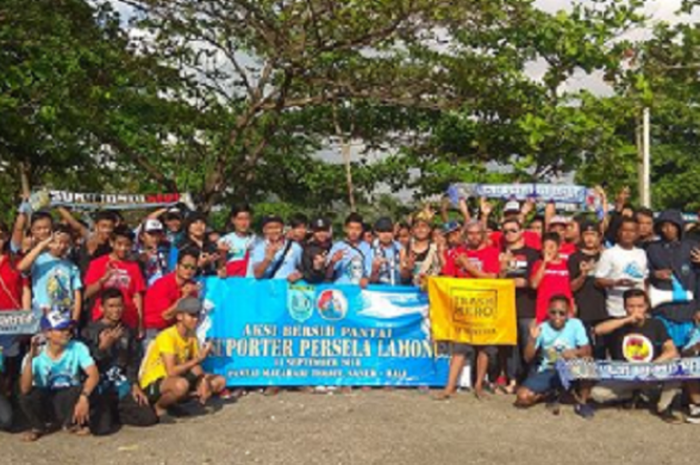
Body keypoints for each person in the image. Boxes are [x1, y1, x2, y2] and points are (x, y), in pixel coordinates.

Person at [588, 289, 682, 423]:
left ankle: (663, 407)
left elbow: (671, 350)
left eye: (640, 306)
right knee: (597, 394)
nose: (636, 310)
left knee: (676, 364)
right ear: (625, 307)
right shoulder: (618, 323)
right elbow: (598, 330)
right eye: (631, 306)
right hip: (625, 374)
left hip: (651, 372)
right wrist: (627, 320)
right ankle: (632, 395)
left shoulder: (656, 324)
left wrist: (653, 365)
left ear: (646, 306)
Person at [81, 289, 158, 434]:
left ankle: (116, 412)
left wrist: (134, 384)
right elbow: (85, 365)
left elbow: (133, 360)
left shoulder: (127, 331)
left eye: (119, 306)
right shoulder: (89, 331)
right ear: (101, 308)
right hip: (100, 385)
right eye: (111, 306)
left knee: (148, 418)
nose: (116, 310)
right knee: (101, 430)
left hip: (121, 384)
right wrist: (102, 347)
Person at [440, 220, 500, 399]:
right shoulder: (457, 253)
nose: (474, 237)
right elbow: (447, 277)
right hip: (463, 308)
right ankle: (449, 388)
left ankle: (478, 386)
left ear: (483, 235)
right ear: (465, 235)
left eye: (477, 233)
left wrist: (468, 267)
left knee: (484, 348)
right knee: (459, 348)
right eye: (470, 233)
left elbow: (492, 277)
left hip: (485, 306)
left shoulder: (492, 253)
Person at [139, 297, 226, 418]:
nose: (195, 320)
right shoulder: (167, 336)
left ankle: (181, 400)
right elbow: (171, 371)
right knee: (181, 385)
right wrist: (198, 360)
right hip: (154, 381)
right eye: (191, 316)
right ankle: (159, 406)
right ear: (179, 316)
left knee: (219, 381)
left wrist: (203, 380)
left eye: (197, 316)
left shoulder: (191, 335)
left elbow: (196, 367)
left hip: (174, 378)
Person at [19, 311, 99, 441]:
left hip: (68, 396)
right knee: (27, 396)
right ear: (47, 333)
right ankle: (39, 427)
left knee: (88, 389)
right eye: (61, 329)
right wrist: (30, 360)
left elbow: (94, 375)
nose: (67, 332)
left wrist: (84, 397)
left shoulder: (78, 347)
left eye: (68, 328)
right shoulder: (36, 353)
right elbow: (24, 389)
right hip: (46, 397)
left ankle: (71, 423)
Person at [515, 295, 592, 418]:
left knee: (588, 364)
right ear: (548, 312)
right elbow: (527, 358)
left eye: (562, 313)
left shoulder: (576, 324)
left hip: (571, 367)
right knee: (522, 397)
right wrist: (532, 340)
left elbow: (587, 351)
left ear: (568, 314)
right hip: (549, 369)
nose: (557, 316)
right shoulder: (542, 327)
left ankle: (583, 402)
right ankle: (549, 394)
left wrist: (574, 352)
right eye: (553, 312)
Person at [646, 210, 699, 349]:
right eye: (663, 226)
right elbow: (643, 273)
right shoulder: (652, 249)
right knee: (665, 349)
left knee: (689, 351)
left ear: (679, 226)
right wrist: (654, 274)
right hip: (663, 309)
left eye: (672, 225)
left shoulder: (692, 246)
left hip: (688, 310)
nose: (667, 229)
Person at [499, 218, 540, 390]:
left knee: (528, 343)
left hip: (527, 305)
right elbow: (497, 280)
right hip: (506, 306)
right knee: (510, 345)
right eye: (506, 231)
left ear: (522, 231)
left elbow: (534, 280)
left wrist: (524, 282)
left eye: (513, 230)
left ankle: (531, 380)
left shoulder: (533, 253)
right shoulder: (500, 254)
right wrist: (503, 265)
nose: (509, 234)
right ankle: (512, 380)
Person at [84, 226, 147, 338]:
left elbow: (137, 297)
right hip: (102, 320)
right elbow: (87, 293)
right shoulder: (97, 264)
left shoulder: (134, 267)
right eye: (119, 244)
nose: (123, 248)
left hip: (127, 320)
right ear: (112, 243)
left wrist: (140, 323)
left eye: (127, 245)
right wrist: (103, 279)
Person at [18, 225, 83, 322]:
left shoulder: (72, 267)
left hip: (64, 313)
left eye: (66, 243)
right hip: (42, 312)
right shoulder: (39, 260)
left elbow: (77, 294)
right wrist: (42, 245)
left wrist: (75, 319)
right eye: (57, 242)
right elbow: (21, 267)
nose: (62, 246)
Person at [143, 249, 200, 346]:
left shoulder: (191, 286)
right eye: (185, 266)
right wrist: (185, 296)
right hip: (155, 330)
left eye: (193, 268)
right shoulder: (162, 284)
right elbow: (166, 315)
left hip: (175, 332)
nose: (189, 270)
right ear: (177, 266)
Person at [594, 217, 648, 319]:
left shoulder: (641, 253)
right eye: (625, 230)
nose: (628, 234)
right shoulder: (609, 253)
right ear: (619, 232)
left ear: (637, 233)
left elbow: (644, 280)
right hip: (616, 310)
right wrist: (615, 283)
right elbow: (598, 281)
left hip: (639, 311)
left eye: (632, 231)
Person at [568, 221, 608, 359]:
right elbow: (572, 287)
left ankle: (603, 380)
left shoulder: (607, 256)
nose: (590, 238)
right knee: (585, 349)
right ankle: (586, 379)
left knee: (603, 348)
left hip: (605, 309)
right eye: (586, 234)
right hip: (583, 310)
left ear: (600, 236)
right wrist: (583, 275)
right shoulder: (574, 258)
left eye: (593, 235)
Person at [531, 233, 573, 323]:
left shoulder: (567, 264)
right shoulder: (538, 264)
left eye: (551, 247)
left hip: (564, 312)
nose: (547, 250)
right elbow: (534, 284)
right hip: (544, 313)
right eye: (544, 247)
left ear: (559, 248)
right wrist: (545, 263)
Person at [247, 216, 303, 282]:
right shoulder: (259, 248)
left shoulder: (295, 247)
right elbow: (258, 275)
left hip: (288, 288)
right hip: (268, 289)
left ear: (282, 228)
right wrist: (267, 259)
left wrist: (298, 275)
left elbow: (302, 269)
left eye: (277, 227)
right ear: (264, 230)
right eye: (270, 228)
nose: (274, 231)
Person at [328, 213, 371, 287]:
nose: (354, 232)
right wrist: (332, 262)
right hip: (341, 288)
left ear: (362, 230)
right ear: (345, 229)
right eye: (351, 228)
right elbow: (328, 275)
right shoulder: (338, 246)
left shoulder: (367, 248)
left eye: (357, 229)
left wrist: (366, 278)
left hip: (360, 290)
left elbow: (369, 272)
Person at [172, 211, 220, 276]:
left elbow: (219, 268)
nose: (199, 226)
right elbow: (173, 272)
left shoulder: (212, 245)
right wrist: (199, 265)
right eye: (195, 223)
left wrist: (223, 254)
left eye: (202, 223)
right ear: (188, 226)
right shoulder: (179, 246)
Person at [401, 211, 441, 287]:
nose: (420, 229)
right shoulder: (405, 250)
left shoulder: (436, 249)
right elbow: (403, 278)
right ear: (412, 230)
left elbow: (444, 272)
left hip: (432, 292)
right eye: (417, 227)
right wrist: (408, 269)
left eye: (424, 226)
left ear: (429, 229)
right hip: (410, 292)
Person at [218, 204, 256, 277]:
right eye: (240, 219)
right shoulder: (224, 240)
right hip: (232, 282)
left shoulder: (257, 241)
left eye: (247, 219)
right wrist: (222, 253)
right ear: (233, 220)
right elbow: (220, 267)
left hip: (251, 283)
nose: (243, 223)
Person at [367, 217, 404, 286]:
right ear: (376, 232)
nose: (386, 234)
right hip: (380, 291)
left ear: (393, 232)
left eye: (389, 231)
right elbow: (371, 281)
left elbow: (405, 277)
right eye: (382, 231)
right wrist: (375, 270)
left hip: (399, 291)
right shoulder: (371, 252)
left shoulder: (400, 249)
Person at [299, 217, 333, 284]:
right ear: (313, 231)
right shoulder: (307, 250)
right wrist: (316, 269)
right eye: (318, 231)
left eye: (324, 230)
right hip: (316, 289)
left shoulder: (333, 247)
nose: (321, 234)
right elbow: (307, 277)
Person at [137, 218, 169, 286]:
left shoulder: (166, 252)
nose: (155, 238)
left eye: (158, 234)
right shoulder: (135, 254)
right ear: (142, 236)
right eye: (151, 234)